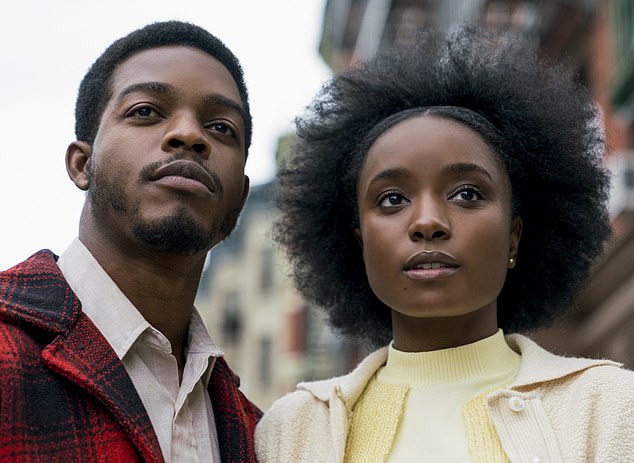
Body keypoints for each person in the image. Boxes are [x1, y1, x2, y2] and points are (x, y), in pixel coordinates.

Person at [255, 27, 634, 462]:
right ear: (358, 242)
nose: (428, 222)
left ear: (515, 235)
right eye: (393, 199)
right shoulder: (292, 431)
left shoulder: (610, 410)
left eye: (467, 193)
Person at [0, 21, 261, 463]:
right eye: (145, 111)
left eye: (221, 128)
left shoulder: (257, 431)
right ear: (83, 164)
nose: (190, 135)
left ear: (239, 196)